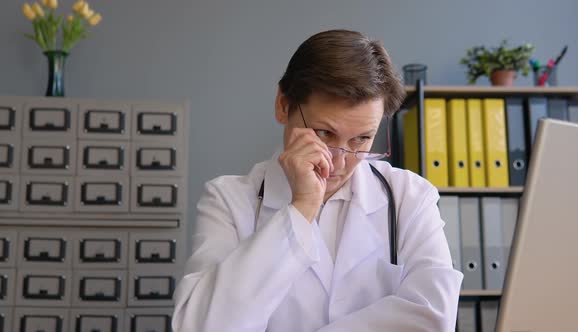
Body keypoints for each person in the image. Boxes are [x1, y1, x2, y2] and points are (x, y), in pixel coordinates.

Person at [172, 29, 463, 332]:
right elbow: (201, 325)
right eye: (325, 134)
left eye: (362, 139)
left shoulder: (409, 197)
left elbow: (434, 317)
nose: (339, 162)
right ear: (283, 105)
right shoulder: (229, 199)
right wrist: (301, 209)